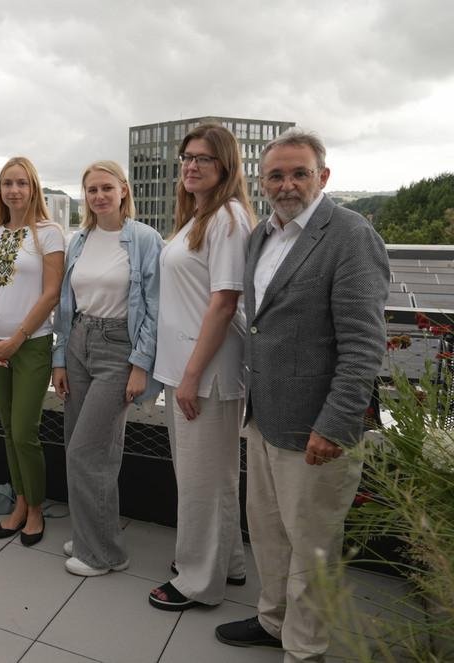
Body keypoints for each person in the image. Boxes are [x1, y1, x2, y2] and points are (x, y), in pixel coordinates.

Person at [215, 129, 388, 662]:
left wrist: (334, 424)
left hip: (317, 428)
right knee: (269, 533)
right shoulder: (261, 236)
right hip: (265, 417)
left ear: (323, 176)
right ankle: (274, 622)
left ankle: (305, 649)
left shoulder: (351, 235)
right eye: (276, 175)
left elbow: (364, 345)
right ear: (262, 182)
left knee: (312, 547)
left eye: (299, 173)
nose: (286, 184)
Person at [149, 124, 255, 611]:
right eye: (187, 157)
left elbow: (225, 303)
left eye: (203, 159)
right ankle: (227, 563)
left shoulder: (228, 218)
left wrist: (192, 375)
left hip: (206, 372)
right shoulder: (200, 216)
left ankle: (197, 581)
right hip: (186, 368)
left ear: (225, 167)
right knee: (210, 477)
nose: (191, 166)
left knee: (200, 482)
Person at [52, 160, 163, 576]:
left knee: (89, 450)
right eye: (92, 189)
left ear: (123, 190)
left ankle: (103, 554)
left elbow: (155, 306)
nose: (99, 196)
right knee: (78, 444)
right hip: (79, 341)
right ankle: (90, 534)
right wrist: (60, 357)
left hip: (118, 348)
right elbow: (66, 305)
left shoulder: (145, 239)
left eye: (106, 188)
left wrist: (141, 364)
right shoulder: (79, 240)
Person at [0, 156, 65, 546]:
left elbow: (52, 293)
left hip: (32, 344)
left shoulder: (50, 233)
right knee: (8, 429)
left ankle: (36, 508)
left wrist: (18, 339)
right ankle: (20, 500)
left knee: (25, 430)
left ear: (33, 188)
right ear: (0, 190)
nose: (14, 190)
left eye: (22, 183)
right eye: (8, 183)